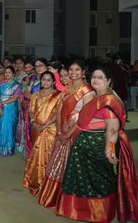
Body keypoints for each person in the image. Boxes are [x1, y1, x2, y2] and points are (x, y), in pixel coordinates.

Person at [56, 67, 138, 222]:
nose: (95, 79)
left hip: (97, 147)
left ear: (108, 81)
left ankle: (100, 213)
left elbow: (112, 130)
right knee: (84, 181)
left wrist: (110, 151)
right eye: (94, 76)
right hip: (83, 147)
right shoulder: (96, 96)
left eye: (100, 77)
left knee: (100, 180)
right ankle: (85, 211)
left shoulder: (109, 100)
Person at [37, 60, 94, 209]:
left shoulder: (88, 90)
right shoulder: (67, 87)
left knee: (73, 166)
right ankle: (55, 196)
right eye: (71, 70)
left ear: (83, 72)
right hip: (62, 129)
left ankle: (71, 203)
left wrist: (68, 133)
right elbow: (59, 110)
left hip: (76, 132)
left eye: (77, 70)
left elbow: (85, 116)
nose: (73, 72)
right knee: (57, 164)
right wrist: (60, 130)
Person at [22, 71, 62, 196]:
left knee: (48, 155)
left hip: (50, 129)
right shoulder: (36, 94)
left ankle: (48, 185)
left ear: (54, 82)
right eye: (43, 79)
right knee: (37, 154)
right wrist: (34, 122)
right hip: (36, 128)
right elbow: (31, 110)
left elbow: (57, 114)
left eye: (48, 80)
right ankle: (36, 181)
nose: (46, 82)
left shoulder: (58, 96)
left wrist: (45, 125)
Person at [0, 66, 22, 156]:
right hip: (1, 106)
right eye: (6, 72)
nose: (7, 74)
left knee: (10, 127)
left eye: (9, 72)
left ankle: (9, 149)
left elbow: (15, 98)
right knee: (2, 126)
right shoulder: (0, 83)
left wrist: (3, 103)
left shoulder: (17, 85)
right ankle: (1, 148)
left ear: (13, 74)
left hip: (11, 107)